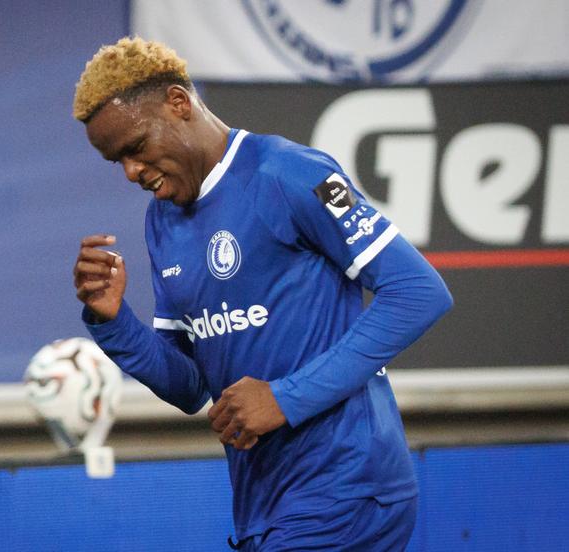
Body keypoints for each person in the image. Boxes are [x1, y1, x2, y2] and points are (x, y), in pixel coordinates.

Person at [71, 37, 452, 551]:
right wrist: (113, 321)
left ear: (179, 104)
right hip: (264, 505)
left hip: (346, 491)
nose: (132, 172)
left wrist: (285, 398)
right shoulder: (161, 223)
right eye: (116, 161)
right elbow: (189, 387)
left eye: (135, 148)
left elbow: (418, 292)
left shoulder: (291, 173)